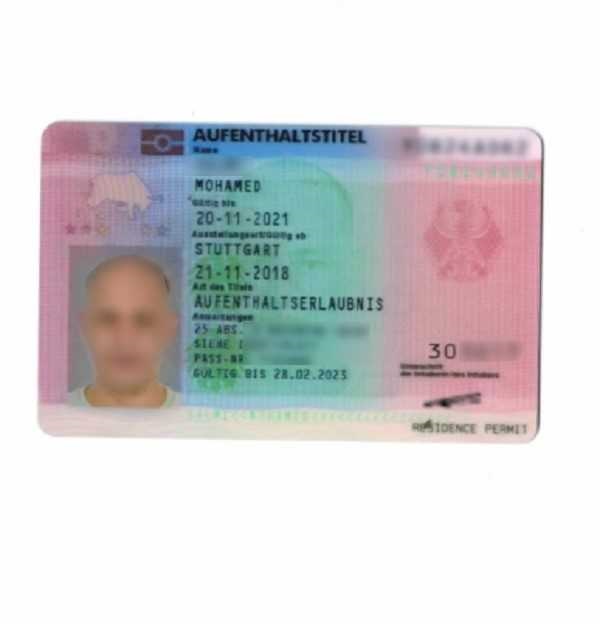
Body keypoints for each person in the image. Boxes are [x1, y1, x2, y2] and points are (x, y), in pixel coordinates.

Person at [69, 255, 181, 408]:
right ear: (85, 327)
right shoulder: (52, 412)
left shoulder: (201, 415)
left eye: (144, 321)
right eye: (107, 319)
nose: (125, 341)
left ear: (169, 328)